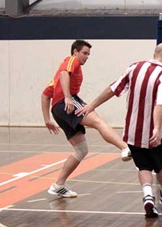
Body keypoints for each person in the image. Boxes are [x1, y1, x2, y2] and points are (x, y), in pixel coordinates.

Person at [75, 42, 162, 218]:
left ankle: (148, 197)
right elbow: (160, 104)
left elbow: (112, 89)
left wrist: (91, 105)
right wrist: (155, 128)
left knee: (143, 165)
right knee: (161, 163)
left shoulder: (134, 68)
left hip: (132, 132)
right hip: (156, 132)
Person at [42, 39, 131, 198]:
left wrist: (47, 119)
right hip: (67, 102)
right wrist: (68, 97)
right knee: (97, 121)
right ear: (75, 52)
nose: (86, 57)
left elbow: (45, 94)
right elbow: (64, 73)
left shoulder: (57, 78)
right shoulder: (70, 61)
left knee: (81, 150)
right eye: (84, 53)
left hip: (57, 109)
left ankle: (58, 185)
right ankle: (125, 148)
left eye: (88, 54)